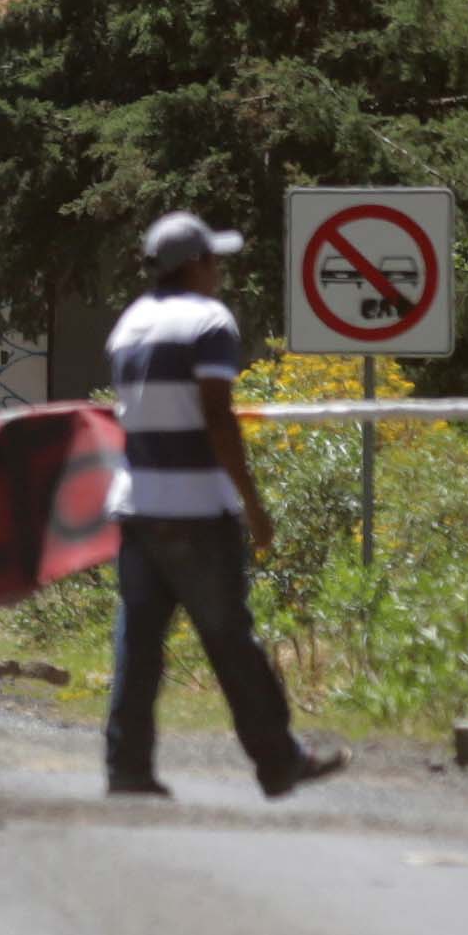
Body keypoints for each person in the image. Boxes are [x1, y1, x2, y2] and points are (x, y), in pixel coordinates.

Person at [99, 210, 343, 803]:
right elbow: (216, 415)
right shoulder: (209, 323)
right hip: (197, 511)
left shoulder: (129, 325)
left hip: (137, 506)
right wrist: (253, 504)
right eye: (214, 260)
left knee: (138, 643)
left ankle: (127, 768)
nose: (219, 272)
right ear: (196, 264)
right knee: (232, 639)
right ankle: (279, 761)